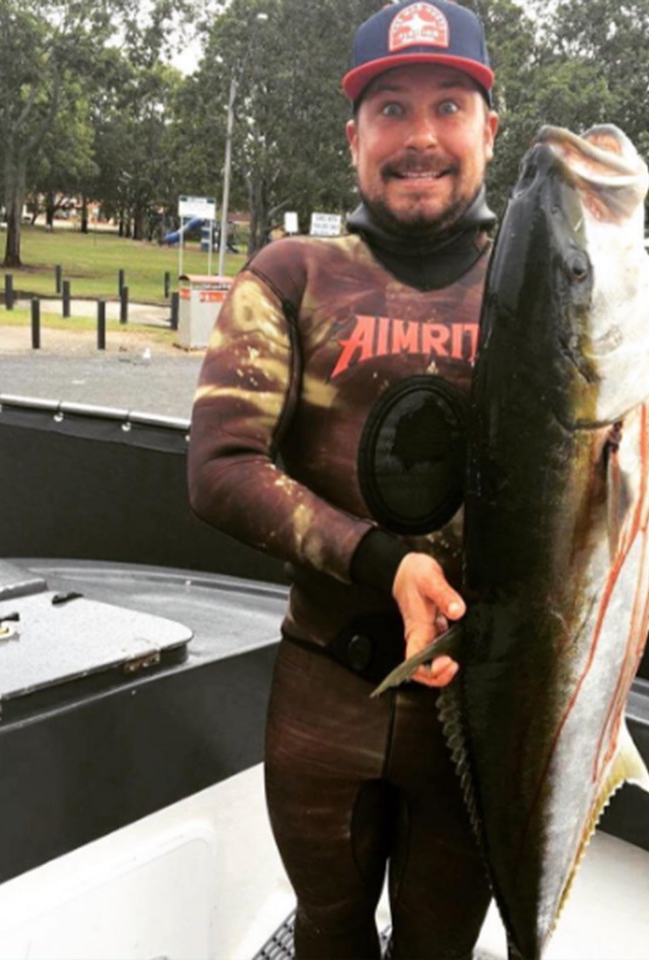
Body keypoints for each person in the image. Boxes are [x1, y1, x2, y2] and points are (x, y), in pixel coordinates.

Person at [188, 2, 499, 957]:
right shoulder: (291, 273)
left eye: (448, 105)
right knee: (327, 932)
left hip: (480, 705)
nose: (420, 138)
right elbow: (219, 466)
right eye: (390, 109)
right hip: (324, 684)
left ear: (491, 127)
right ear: (353, 134)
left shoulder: (539, 287)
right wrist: (386, 565)